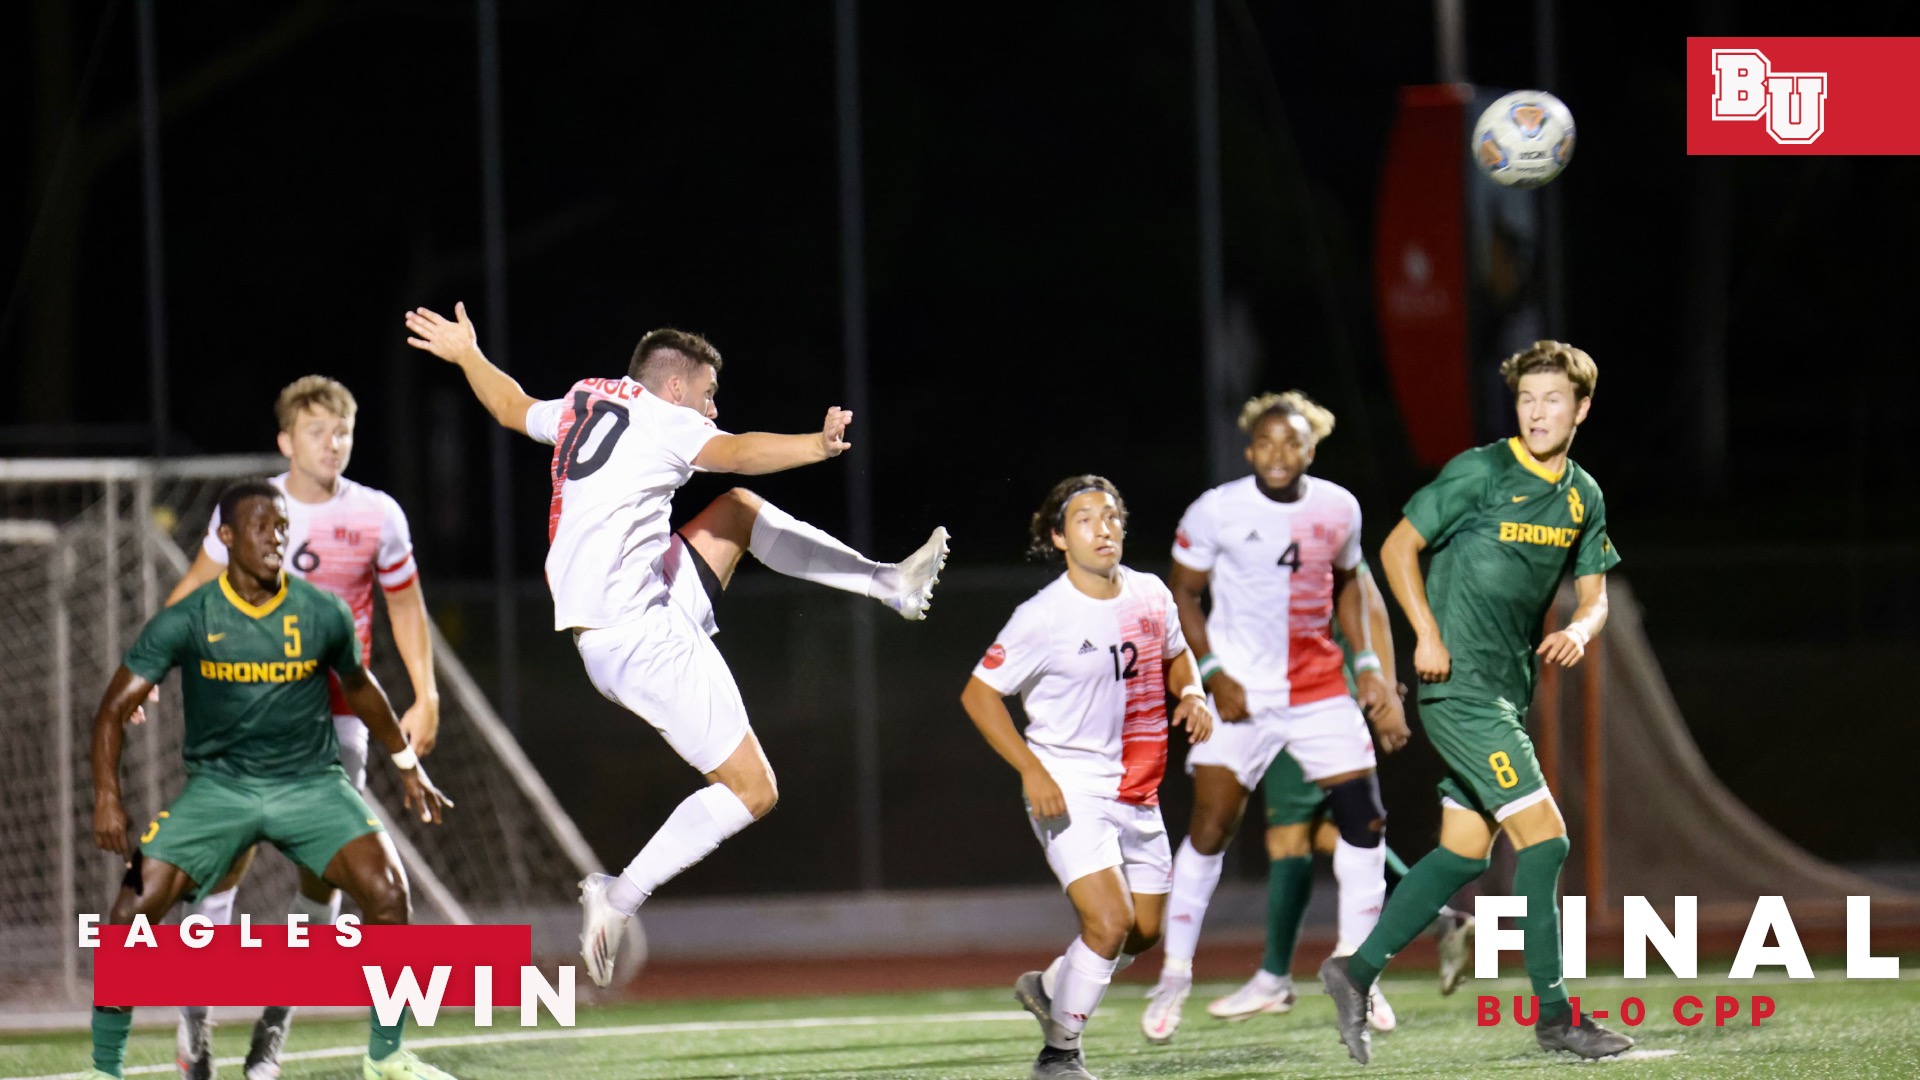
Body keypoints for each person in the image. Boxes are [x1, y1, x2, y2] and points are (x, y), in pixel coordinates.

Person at [404, 302, 949, 987]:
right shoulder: (667, 419)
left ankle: (886, 582)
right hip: (638, 637)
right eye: (708, 394)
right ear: (674, 387)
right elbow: (739, 448)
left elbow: (513, 407)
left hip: (638, 607)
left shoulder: (586, 398)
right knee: (753, 790)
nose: (712, 409)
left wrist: (467, 356)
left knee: (738, 513)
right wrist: (816, 444)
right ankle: (618, 897)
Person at [1320, 341, 1632, 1063]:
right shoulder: (1481, 470)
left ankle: (1354, 970)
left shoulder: (1584, 494)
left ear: (1581, 409)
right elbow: (1397, 548)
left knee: (1463, 854)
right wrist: (1425, 634)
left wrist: (1581, 631)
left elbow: (1595, 594)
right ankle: (1556, 1016)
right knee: (1547, 839)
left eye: (1554, 399)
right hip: (1458, 691)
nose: (1538, 411)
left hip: (1505, 691)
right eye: (1528, 398)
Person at [83, 482, 456, 1080]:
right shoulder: (189, 618)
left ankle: (385, 1057)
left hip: (310, 784)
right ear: (225, 538)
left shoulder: (320, 610)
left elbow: (359, 687)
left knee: (389, 895)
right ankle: (107, 1068)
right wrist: (106, 797)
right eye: (259, 526)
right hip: (219, 790)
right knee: (128, 911)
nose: (275, 536)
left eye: (282, 526)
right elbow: (109, 710)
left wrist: (406, 763)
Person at [144, 376, 439, 1080]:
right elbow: (191, 590)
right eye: (316, 431)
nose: (331, 443)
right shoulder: (248, 511)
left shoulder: (378, 516)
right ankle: (196, 1030)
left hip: (338, 722)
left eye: (341, 431)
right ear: (286, 441)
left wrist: (425, 694)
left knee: (324, 887)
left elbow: (404, 608)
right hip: (253, 714)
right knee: (225, 868)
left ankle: (271, 1039)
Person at [1141, 392, 1409, 1044]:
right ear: (1249, 449)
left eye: (1291, 444)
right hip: (1241, 696)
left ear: (1310, 449)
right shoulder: (1217, 509)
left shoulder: (1338, 506)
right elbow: (1181, 590)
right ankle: (1175, 974)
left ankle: (1359, 969)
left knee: (1366, 820)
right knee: (1211, 827)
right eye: (1266, 443)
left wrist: (1369, 662)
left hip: (1318, 690)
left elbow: (1350, 584)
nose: (1278, 455)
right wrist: (1208, 671)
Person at [959, 476, 1212, 1080]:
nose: (1102, 528)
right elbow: (978, 695)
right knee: (1109, 921)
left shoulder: (1150, 594)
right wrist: (1032, 769)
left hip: (1138, 790)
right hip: (1068, 787)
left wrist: (1195, 691)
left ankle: (1050, 988)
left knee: (1143, 934)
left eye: (1111, 517)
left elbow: (1177, 654)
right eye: (1084, 519)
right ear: (1058, 538)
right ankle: (1059, 1056)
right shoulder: (1043, 616)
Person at [1206, 559, 1474, 1030]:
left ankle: (1289, 978)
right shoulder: (1312, 529)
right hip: (1318, 699)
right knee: (1332, 835)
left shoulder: (1308, 530)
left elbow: (1369, 607)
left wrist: (1385, 689)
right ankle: (1438, 919)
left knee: (1289, 840)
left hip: (1308, 700)